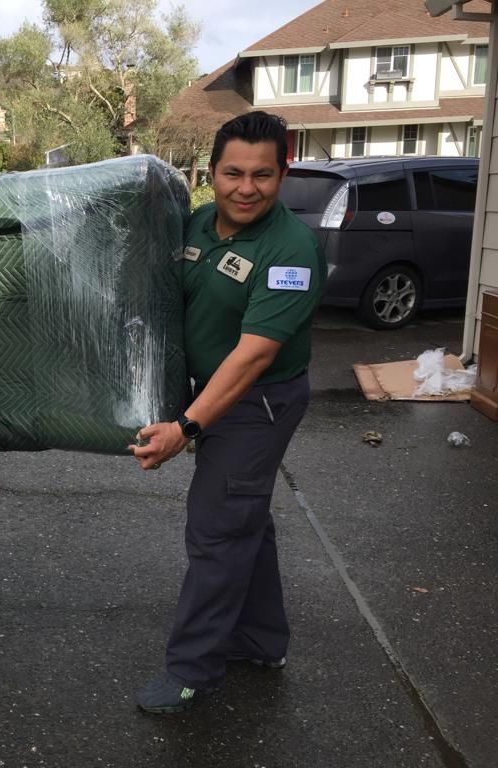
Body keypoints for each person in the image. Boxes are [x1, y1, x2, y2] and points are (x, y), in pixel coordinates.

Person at [129, 111, 326, 712]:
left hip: (256, 403)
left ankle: (192, 671)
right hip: (212, 393)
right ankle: (261, 640)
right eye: (233, 173)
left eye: (263, 175)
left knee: (218, 529)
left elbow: (253, 356)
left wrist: (187, 426)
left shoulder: (292, 250)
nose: (247, 188)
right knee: (243, 520)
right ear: (209, 173)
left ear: (283, 174)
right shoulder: (197, 226)